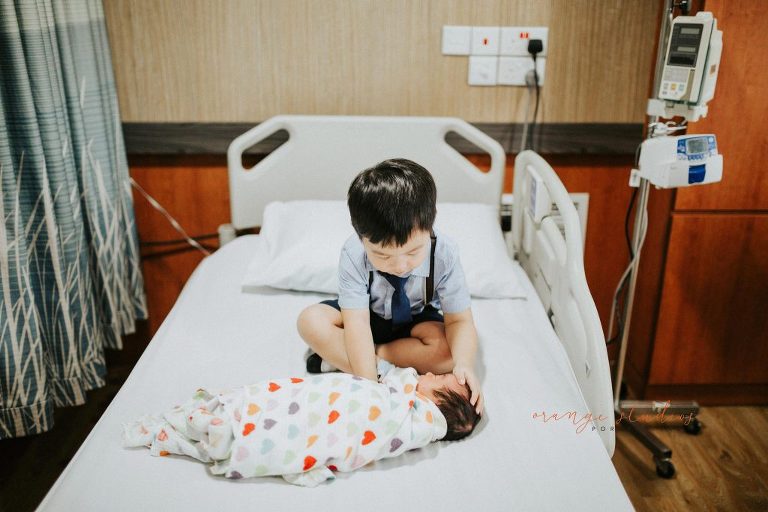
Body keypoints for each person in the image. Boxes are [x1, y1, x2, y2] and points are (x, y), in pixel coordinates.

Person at [297, 158, 483, 414]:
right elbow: (358, 324)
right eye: (383, 256)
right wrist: (371, 388)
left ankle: (344, 360)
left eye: (414, 251)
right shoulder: (354, 253)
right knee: (310, 321)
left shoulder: (445, 253)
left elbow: (459, 321)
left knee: (448, 354)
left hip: (416, 320)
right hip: (366, 318)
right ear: (362, 239)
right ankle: (380, 370)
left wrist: (464, 364)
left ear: (430, 227)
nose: (400, 266)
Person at [123, 361, 481, 487]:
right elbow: (392, 381)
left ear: (439, 405)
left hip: (353, 415)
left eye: (440, 380)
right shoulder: (408, 397)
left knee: (304, 427)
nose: (430, 373)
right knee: (297, 400)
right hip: (337, 400)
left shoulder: (416, 420)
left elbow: (394, 397)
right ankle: (233, 426)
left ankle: (237, 434)